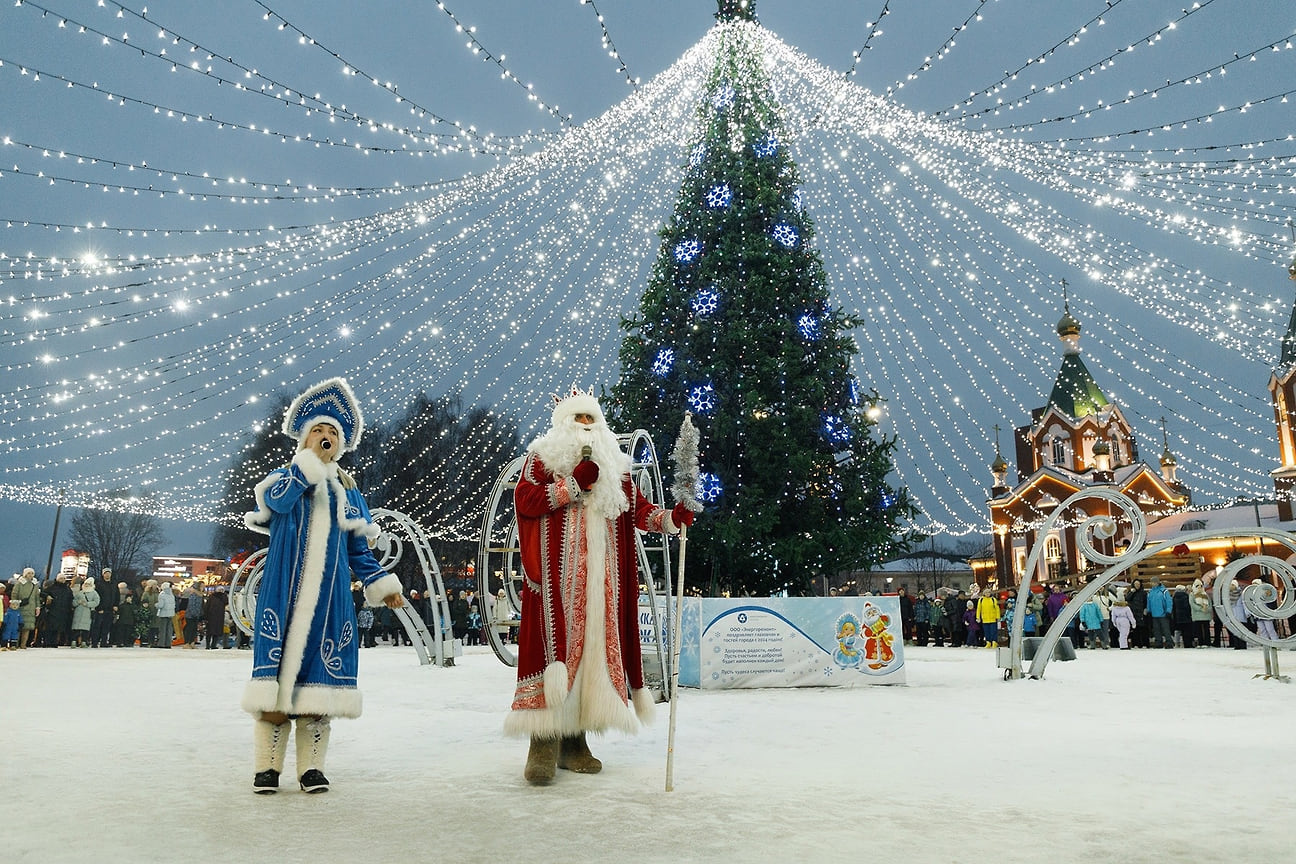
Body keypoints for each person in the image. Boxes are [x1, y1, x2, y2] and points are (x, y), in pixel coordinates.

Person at [505, 388, 694, 786]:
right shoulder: (541, 460)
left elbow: (639, 511)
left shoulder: (617, 468)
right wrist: (572, 485)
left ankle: (575, 740)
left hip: (602, 586)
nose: (586, 426)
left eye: (591, 419)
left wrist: (670, 519)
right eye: (578, 419)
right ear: (563, 423)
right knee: (555, 659)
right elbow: (527, 502)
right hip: (556, 585)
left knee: (590, 657)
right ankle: (542, 741)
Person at [240, 377, 404, 795]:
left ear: (343, 443)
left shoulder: (348, 493)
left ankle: (311, 768)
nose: (326, 437)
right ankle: (267, 769)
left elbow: (358, 550)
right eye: (319, 430)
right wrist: (306, 468)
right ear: (304, 437)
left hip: (329, 603)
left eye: (333, 432)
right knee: (275, 686)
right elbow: (275, 504)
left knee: (317, 691)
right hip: (283, 594)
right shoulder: (283, 476)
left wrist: (381, 584)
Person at [10, 568, 40, 649]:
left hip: (31, 608)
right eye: (29, 573)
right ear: (25, 574)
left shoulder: (35, 584)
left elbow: (37, 597)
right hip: (20, 607)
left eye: (32, 573)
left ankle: (23, 644)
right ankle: (15, 644)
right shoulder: (19, 583)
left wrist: (37, 607)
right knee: (18, 627)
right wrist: (15, 604)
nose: (30, 575)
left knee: (27, 627)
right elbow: (14, 594)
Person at [90, 568, 118, 648]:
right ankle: (94, 642)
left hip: (110, 609)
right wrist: (99, 608)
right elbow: (96, 597)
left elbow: (117, 596)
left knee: (106, 627)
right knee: (97, 626)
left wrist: (115, 605)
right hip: (101, 609)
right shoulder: (99, 584)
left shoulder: (114, 584)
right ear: (103, 574)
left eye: (109, 573)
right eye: (106, 573)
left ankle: (104, 642)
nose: (107, 575)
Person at [71, 576, 100, 648]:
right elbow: (73, 602)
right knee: (76, 628)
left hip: (87, 612)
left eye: (88, 584)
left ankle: (84, 642)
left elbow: (96, 602)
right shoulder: (80, 593)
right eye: (86, 584)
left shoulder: (94, 593)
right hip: (78, 612)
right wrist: (78, 602)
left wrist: (87, 604)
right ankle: (74, 641)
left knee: (85, 629)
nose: (87, 585)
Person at [1145, 577, 1174, 648]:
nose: (1153, 584)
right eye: (1151, 582)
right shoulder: (1150, 592)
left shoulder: (1164, 591)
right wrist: (1149, 611)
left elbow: (1169, 601)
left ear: (1158, 583)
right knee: (1156, 629)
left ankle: (1169, 642)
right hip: (1154, 614)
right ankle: (1158, 642)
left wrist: (1168, 611)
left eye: (1154, 582)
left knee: (1166, 629)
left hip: (1163, 613)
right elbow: (1149, 602)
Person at [155, 583, 176, 648]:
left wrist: (156, 605)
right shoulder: (171, 594)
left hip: (163, 614)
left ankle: (161, 643)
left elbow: (161, 605)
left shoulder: (162, 594)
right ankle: (168, 643)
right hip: (170, 614)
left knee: (162, 629)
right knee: (169, 629)